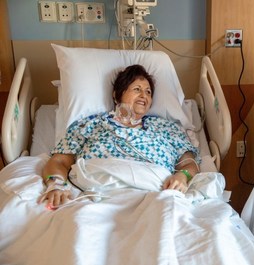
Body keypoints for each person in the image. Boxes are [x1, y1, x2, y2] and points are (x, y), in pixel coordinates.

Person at [38, 64, 200, 209]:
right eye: (137, 89)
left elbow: (189, 162)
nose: (144, 95)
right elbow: (59, 161)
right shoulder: (90, 125)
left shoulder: (167, 128)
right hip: (95, 194)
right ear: (117, 95)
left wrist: (182, 175)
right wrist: (56, 185)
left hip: (155, 194)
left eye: (148, 92)